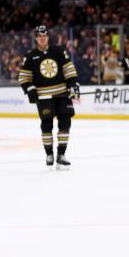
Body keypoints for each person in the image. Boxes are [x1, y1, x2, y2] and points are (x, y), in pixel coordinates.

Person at [18, 25, 80, 169]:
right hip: (44, 97)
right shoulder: (30, 56)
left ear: (48, 37)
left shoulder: (58, 51)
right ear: (36, 38)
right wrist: (30, 89)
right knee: (47, 125)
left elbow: (69, 69)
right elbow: (24, 78)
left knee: (65, 123)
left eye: (44, 36)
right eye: (40, 36)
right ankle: (49, 154)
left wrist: (73, 85)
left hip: (62, 94)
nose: (42, 38)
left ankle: (61, 155)